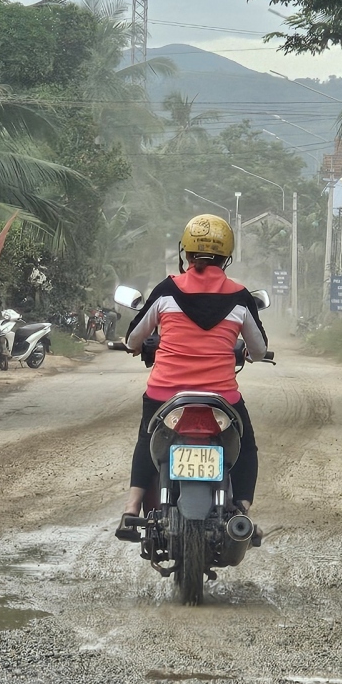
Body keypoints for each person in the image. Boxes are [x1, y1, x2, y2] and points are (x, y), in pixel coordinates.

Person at [117, 214, 267, 540]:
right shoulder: (240, 297)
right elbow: (258, 350)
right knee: (246, 447)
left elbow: (132, 340)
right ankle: (242, 512)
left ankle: (131, 510)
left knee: (147, 438)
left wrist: (139, 345)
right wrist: (242, 350)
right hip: (220, 400)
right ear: (227, 255)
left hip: (165, 395)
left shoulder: (166, 290)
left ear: (185, 252)